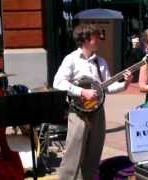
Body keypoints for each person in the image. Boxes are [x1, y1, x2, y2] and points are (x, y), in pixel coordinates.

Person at [53, 23, 132, 180]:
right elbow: (58, 82)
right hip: (78, 113)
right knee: (73, 154)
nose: (99, 39)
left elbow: (107, 86)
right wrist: (82, 91)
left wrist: (125, 84)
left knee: (93, 154)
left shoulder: (100, 62)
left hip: (97, 111)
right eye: (96, 36)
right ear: (86, 39)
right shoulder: (71, 59)